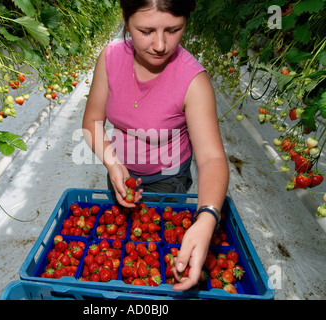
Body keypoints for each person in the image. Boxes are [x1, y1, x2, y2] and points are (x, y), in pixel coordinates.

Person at [82, 0, 229, 291]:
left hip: (168, 178)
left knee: (155, 250)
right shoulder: (110, 58)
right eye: (146, 30)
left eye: (173, 30)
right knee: (128, 245)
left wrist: (207, 216)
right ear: (125, 19)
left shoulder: (192, 80)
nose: (160, 45)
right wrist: (113, 164)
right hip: (121, 172)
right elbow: (92, 122)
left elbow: (211, 158)